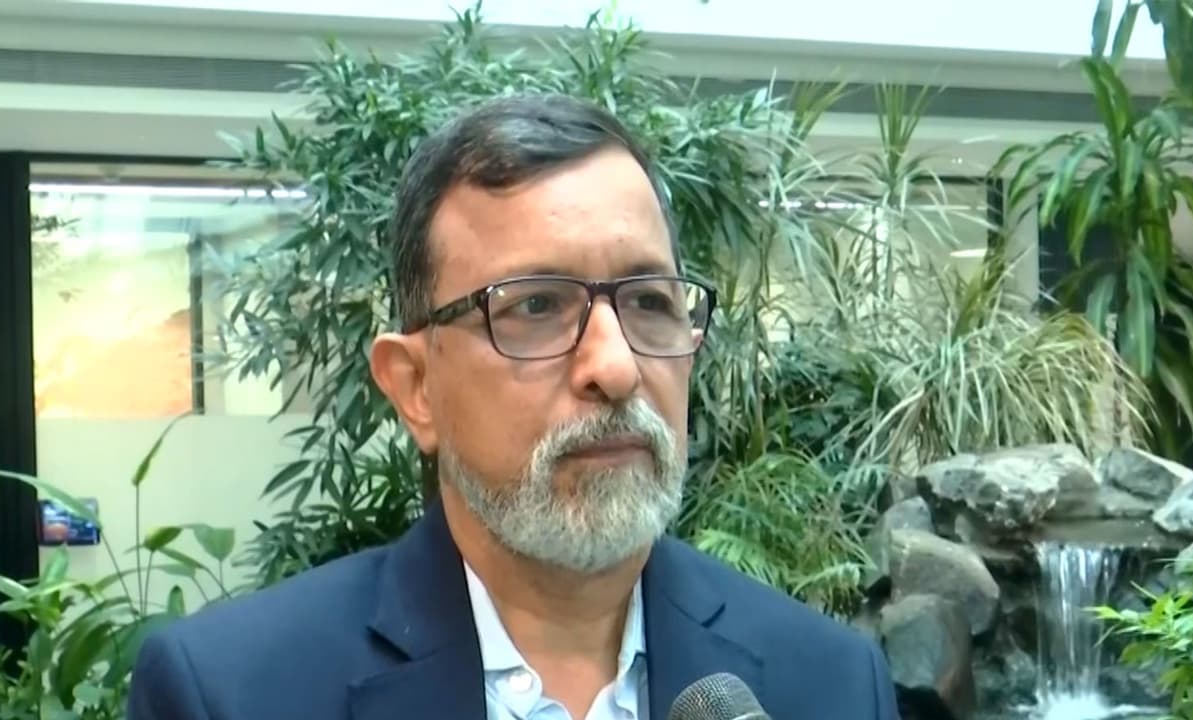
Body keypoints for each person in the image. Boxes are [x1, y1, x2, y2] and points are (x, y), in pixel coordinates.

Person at [127, 93, 900, 720]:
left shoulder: (829, 684)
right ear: (415, 387)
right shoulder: (232, 693)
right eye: (535, 306)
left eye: (650, 301)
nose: (616, 368)